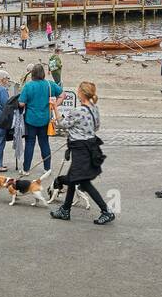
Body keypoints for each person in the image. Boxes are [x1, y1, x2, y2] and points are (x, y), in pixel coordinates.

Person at [49, 81, 115, 225]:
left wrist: (54, 107)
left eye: (78, 90)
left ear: (81, 93)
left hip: (80, 148)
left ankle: (106, 211)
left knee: (83, 181)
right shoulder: (94, 108)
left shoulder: (77, 111)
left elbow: (62, 124)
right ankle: (65, 210)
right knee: (73, 179)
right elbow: (96, 127)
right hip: (91, 146)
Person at [18, 63, 61, 174]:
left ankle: (26, 169)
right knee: (44, 143)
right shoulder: (50, 84)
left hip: (31, 119)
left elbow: (21, 103)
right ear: (43, 73)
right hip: (45, 119)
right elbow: (62, 95)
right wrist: (55, 105)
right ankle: (47, 168)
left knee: (30, 144)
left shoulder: (28, 86)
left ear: (32, 73)